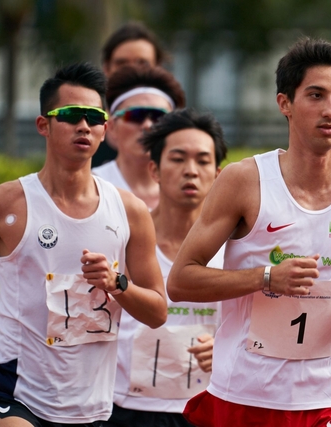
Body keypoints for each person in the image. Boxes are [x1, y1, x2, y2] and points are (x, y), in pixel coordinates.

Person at [168, 38, 331, 427]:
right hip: (247, 392)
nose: (330, 110)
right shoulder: (245, 181)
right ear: (285, 104)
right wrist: (266, 277)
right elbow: (181, 280)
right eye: (316, 95)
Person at [0, 62, 168, 427]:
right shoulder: (2, 203)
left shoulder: (131, 211)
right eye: (71, 115)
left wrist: (117, 283)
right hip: (15, 392)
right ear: (44, 125)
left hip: (92, 405)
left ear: (105, 129)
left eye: (94, 116)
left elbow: (157, 311)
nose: (84, 125)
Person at [109, 108, 228, 427]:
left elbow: (258, 328)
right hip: (125, 408)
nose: (191, 170)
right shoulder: (120, 237)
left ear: (218, 173)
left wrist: (228, 350)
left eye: (202, 161)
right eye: (177, 159)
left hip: (209, 407)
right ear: (155, 169)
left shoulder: (237, 249)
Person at [92, 65, 186, 210]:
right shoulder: (91, 187)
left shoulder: (191, 189)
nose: (147, 125)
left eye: (159, 117)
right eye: (135, 115)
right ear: (111, 127)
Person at [93, 22, 169, 167]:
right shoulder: (86, 123)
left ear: (158, 69)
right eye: (122, 64)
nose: (132, 71)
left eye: (142, 63)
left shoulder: (176, 128)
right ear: (106, 69)